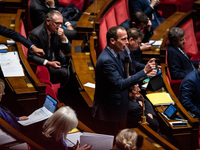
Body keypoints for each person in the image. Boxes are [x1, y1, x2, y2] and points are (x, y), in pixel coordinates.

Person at [92, 26, 156, 136]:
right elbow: (120, 84)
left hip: (118, 104)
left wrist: (132, 85)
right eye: (123, 39)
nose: (126, 42)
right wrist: (144, 71)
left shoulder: (118, 53)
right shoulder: (106, 60)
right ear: (112, 41)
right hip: (109, 111)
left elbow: (123, 76)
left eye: (127, 39)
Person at [28, 10, 71, 87]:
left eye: (61, 24)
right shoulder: (36, 34)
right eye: (57, 23)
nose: (60, 26)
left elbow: (69, 49)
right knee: (66, 73)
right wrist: (48, 63)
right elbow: (31, 56)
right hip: (45, 65)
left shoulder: (57, 31)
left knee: (73, 69)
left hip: (58, 60)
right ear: (48, 21)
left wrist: (63, 38)